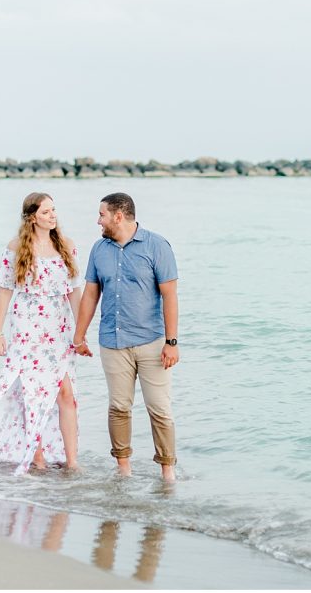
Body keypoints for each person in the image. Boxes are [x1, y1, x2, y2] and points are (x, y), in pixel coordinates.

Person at [0, 192, 84, 475]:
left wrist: (81, 333)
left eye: (54, 210)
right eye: (46, 212)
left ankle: (72, 462)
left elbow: (74, 291)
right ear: (33, 217)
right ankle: (38, 458)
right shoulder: (17, 247)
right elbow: (5, 289)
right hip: (27, 330)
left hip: (59, 331)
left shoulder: (67, 246)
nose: (53, 216)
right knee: (33, 395)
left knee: (66, 395)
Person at [72, 192, 180, 482]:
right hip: (113, 342)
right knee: (119, 407)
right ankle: (123, 472)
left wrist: (172, 342)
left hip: (152, 342)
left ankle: (167, 473)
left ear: (118, 216)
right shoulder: (99, 249)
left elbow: (170, 295)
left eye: (102, 215)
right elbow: (91, 294)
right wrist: (79, 336)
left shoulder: (157, 246)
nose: (98, 220)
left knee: (159, 408)